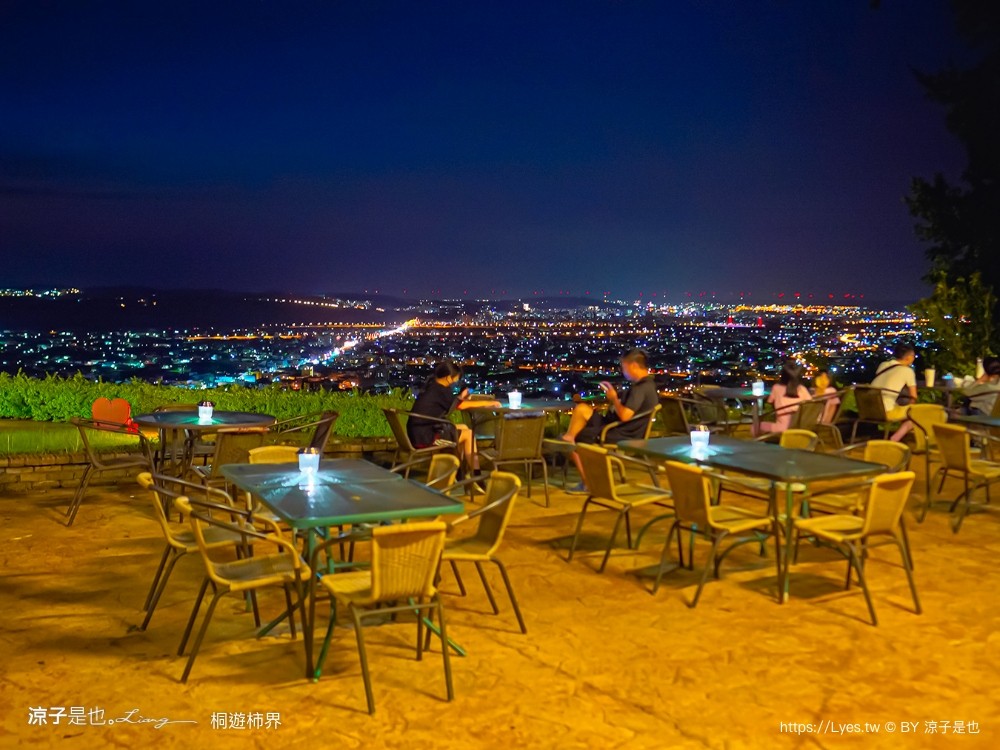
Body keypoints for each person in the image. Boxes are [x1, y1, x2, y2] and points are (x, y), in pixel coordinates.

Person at [561, 349, 659, 493]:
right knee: (582, 408)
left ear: (633, 366)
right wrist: (613, 394)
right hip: (613, 425)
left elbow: (625, 415)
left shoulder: (641, 388)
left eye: (624, 367)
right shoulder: (647, 385)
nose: (623, 371)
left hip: (620, 431)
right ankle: (568, 438)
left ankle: (588, 483)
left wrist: (613, 398)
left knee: (579, 439)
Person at [407, 361, 500, 476]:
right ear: (448, 378)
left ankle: (461, 472)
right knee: (468, 435)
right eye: (456, 378)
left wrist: (460, 398)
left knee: (464, 428)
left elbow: (453, 404)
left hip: (417, 432)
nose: (456, 381)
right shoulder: (441, 390)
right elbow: (461, 406)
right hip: (426, 438)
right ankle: (476, 475)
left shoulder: (432, 385)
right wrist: (490, 402)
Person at [870, 343, 917, 442]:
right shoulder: (907, 371)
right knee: (916, 414)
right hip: (885, 412)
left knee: (900, 407)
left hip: (869, 409)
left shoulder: (883, 365)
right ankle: (895, 439)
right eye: (913, 356)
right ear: (908, 358)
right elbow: (913, 396)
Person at [754, 360, 811, 435]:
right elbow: (810, 404)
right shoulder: (802, 389)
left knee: (755, 426)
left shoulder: (776, 388)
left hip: (782, 429)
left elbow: (770, 402)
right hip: (801, 428)